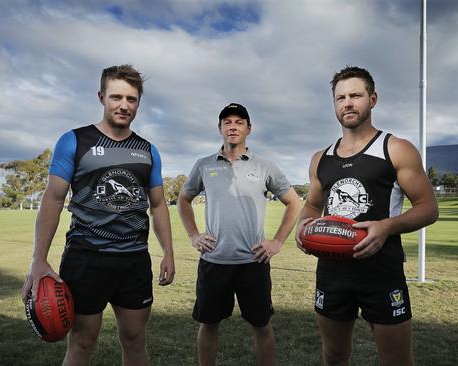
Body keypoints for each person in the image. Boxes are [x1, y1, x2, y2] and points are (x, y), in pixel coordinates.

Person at [21, 65, 175, 366]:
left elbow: (158, 205)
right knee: (82, 341)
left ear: (139, 103)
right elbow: (53, 199)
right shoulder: (75, 141)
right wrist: (38, 259)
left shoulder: (148, 151)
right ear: (102, 97)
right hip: (86, 257)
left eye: (131, 99)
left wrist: (168, 252)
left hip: (133, 260)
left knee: (134, 340)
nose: (123, 105)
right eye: (116, 97)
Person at [295, 66, 438, 366]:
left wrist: (387, 226)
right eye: (340, 97)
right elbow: (311, 204)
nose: (347, 103)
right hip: (332, 272)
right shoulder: (321, 158)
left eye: (355, 95)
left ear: (372, 99)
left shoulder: (396, 148)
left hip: (381, 272)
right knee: (334, 356)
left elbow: (428, 207)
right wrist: (303, 225)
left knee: (396, 360)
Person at [177, 103, 301, 366]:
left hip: (253, 263)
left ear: (249, 128)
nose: (233, 126)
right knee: (208, 325)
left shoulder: (265, 166)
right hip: (214, 262)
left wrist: (277, 241)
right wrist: (193, 235)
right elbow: (184, 199)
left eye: (239, 122)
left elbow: (294, 202)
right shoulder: (204, 165)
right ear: (220, 128)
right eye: (227, 122)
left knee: (262, 326)